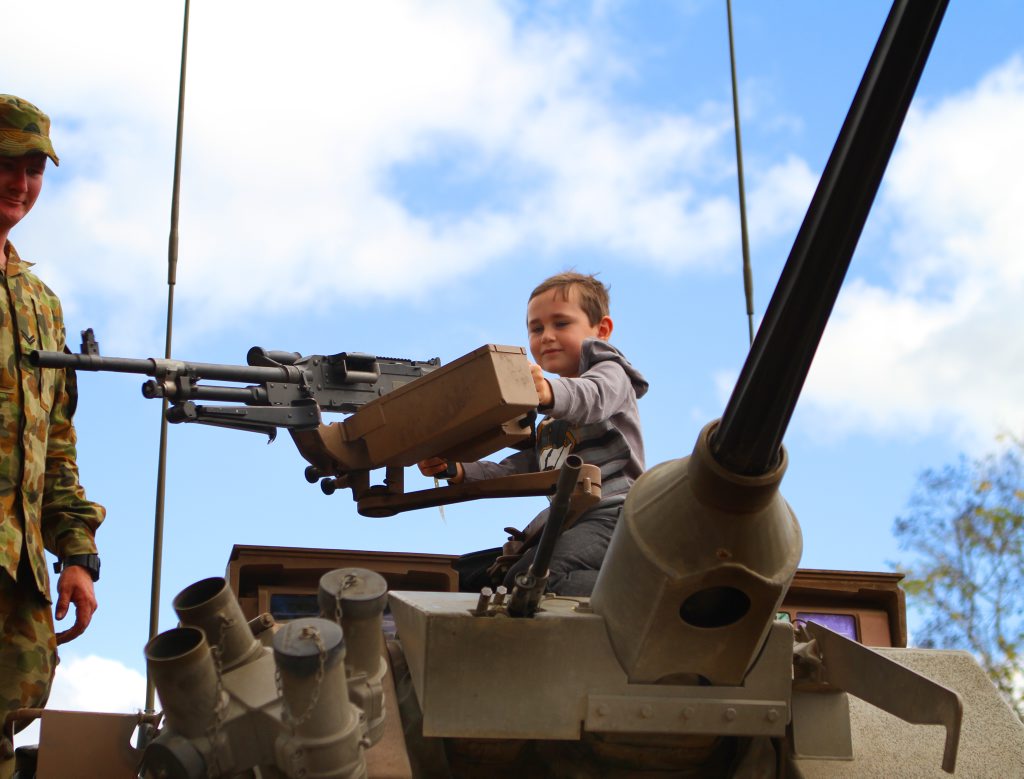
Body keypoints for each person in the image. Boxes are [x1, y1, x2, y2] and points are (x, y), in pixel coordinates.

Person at [419, 271, 647, 596]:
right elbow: (522, 467)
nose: (547, 336)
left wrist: (548, 393)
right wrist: (457, 470)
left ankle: (649, 595)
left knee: (537, 579)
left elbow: (590, 397)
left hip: (615, 513)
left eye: (561, 323)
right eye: (536, 328)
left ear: (602, 330)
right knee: (508, 578)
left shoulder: (611, 375)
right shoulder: (549, 419)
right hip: (572, 519)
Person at [0, 94, 105, 772]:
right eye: (8, 162)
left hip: (16, 585)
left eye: (35, 167)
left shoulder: (41, 305)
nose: (21, 183)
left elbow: (56, 446)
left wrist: (76, 553)